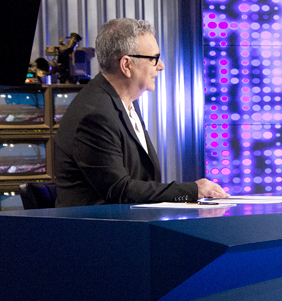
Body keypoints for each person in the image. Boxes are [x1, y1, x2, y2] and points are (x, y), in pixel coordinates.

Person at [54, 18, 229, 206]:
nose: (160, 66)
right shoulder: (96, 114)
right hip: (98, 224)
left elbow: (139, 180)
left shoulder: (124, 101)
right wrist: (192, 191)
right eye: (154, 59)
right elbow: (119, 190)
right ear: (127, 65)